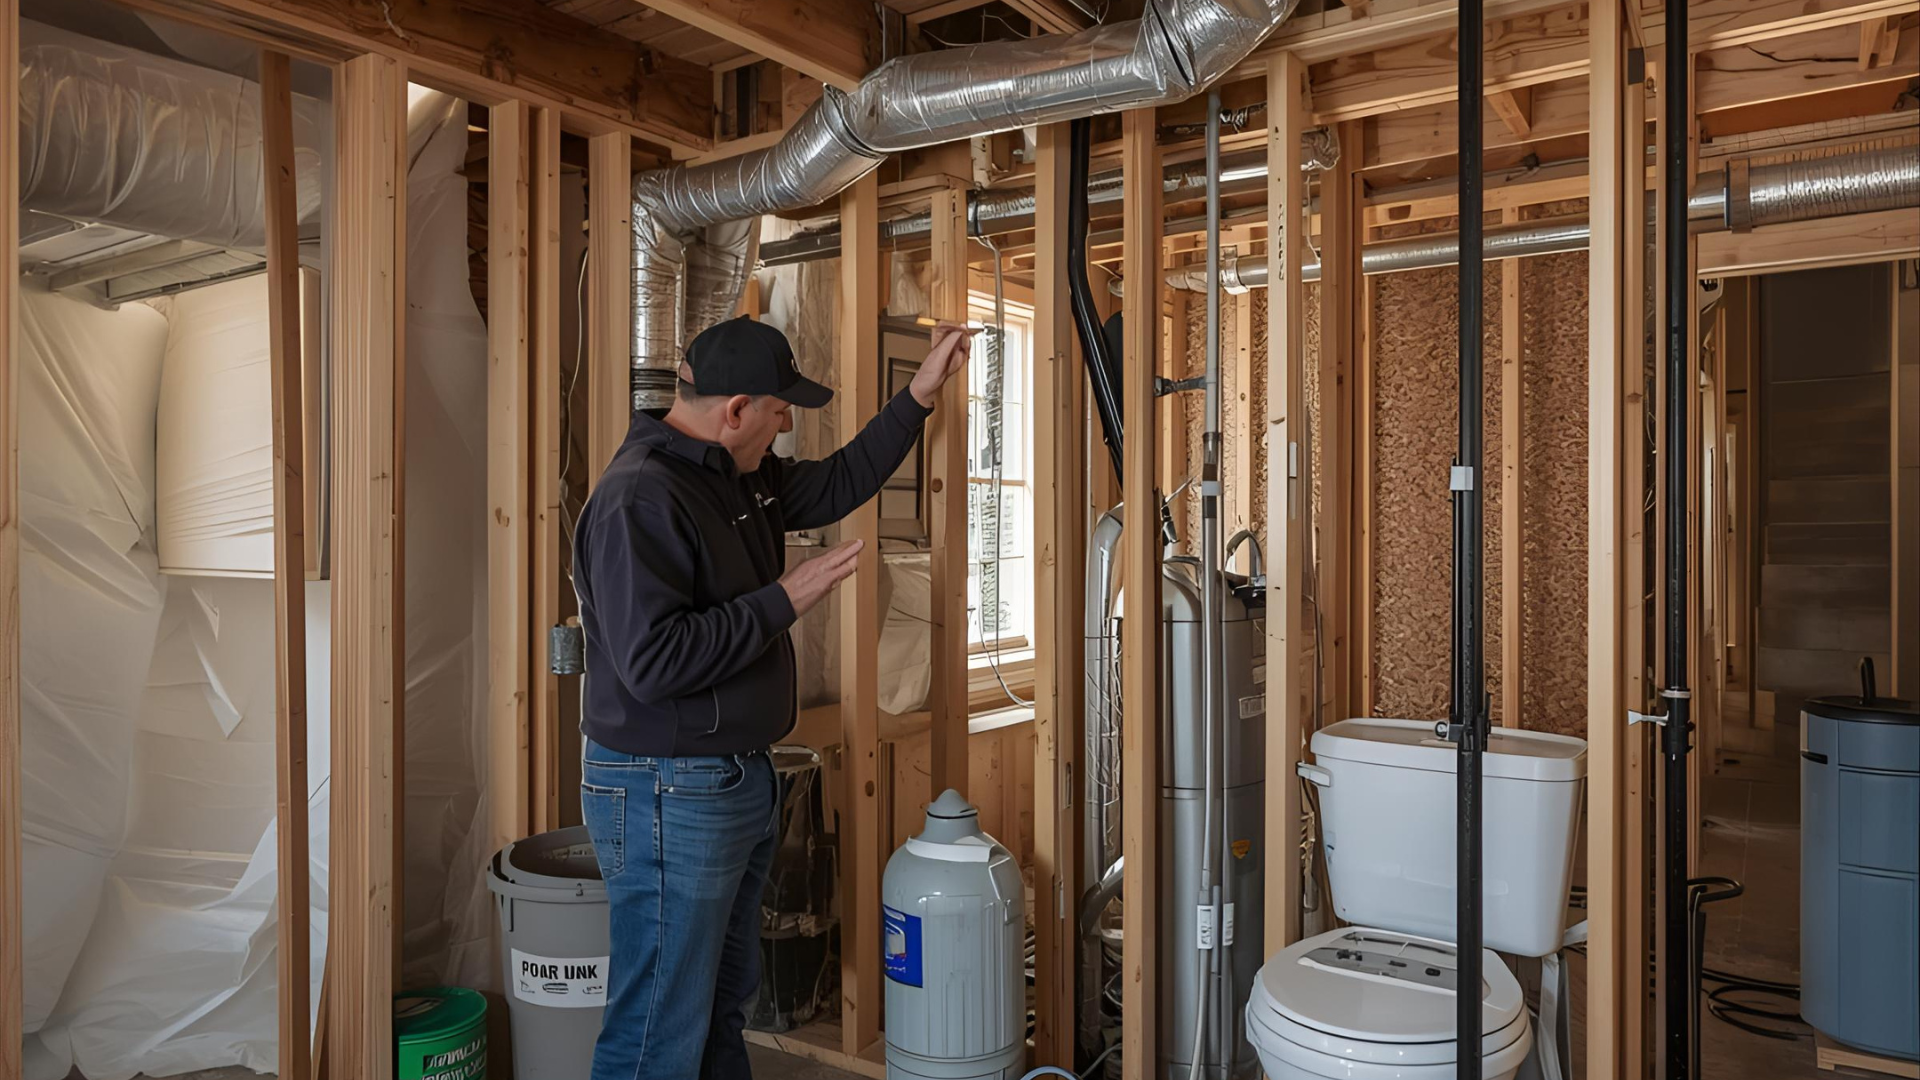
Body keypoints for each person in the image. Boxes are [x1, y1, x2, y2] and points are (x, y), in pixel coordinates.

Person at [571, 315, 973, 1080]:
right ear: (735, 409)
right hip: (664, 790)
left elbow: (841, 479)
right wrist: (782, 598)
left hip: (721, 780)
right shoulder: (641, 499)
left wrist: (918, 396)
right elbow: (654, 662)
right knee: (657, 1026)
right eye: (780, 408)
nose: (789, 421)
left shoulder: (738, 476)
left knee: (721, 1005)